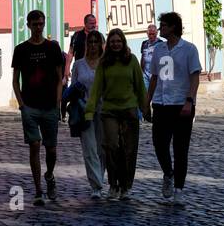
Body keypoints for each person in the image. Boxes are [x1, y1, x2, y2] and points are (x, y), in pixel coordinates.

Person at [144, 11, 201, 206]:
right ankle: (168, 173)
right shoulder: (159, 50)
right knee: (159, 144)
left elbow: (194, 76)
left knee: (180, 148)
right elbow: (154, 77)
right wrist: (147, 101)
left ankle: (178, 189)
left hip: (181, 104)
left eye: (164, 26)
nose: (161, 29)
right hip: (161, 103)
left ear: (174, 27)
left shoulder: (189, 49)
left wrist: (189, 101)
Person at [86, 27, 148, 200]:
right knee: (111, 147)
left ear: (123, 42)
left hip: (129, 110)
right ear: (108, 44)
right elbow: (97, 88)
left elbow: (140, 86)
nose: (115, 44)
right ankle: (113, 184)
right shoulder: (104, 63)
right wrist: (89, 111)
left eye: (118, 41)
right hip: (109, 111)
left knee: (129, 150)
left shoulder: (132, 60)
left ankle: (126, 186)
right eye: (112, 41)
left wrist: (145, 107)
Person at [12, 9, 65, 205]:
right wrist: (21, 104)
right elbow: (15, 79)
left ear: (44, 24)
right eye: (34, 24)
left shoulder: (52, 48)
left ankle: (49, 175)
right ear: (28, 25)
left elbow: (60, 78)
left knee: (51, 149)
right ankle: (38, 190)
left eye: (41, 24)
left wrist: (58, 102)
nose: (38, 28)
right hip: (30, 106)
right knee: (34, 145)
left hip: (50, 105)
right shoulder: (21, 49)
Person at [64, 30, 107, 198]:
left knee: (102, 148)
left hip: (104, 110)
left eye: (97, 42)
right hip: (84, 111)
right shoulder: (79, 65)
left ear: (101, 44)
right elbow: (73, 87)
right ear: (87, 44)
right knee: (89, 149)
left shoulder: (105, 63)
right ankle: (96, 185)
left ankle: (100, 177)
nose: (94, 45)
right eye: (91, 42)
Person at [64, 13, 98, 85]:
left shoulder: (99, 36)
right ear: (85, 23)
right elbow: (71, 52)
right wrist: (67, 68)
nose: (94, 25)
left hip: (95, 68)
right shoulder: (77, 36)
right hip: (80, 69)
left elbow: (104, 51)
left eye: (95, 23)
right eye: (91, 23)